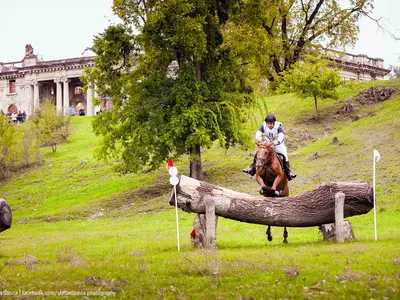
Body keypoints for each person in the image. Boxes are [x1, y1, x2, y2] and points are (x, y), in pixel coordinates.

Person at [242, 114, 297, 180]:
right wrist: (261, 140)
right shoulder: (263, 126)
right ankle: (252, 169)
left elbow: (281, 138)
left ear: (274, 123)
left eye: (271, 123)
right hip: (267, 144)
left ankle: (289, 173)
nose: (269, 125)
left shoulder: (279, 127)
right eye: (268, 123)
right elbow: (258, 134)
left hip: (278, 145)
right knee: (258, 153)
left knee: (284, 155)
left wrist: (272, 143)